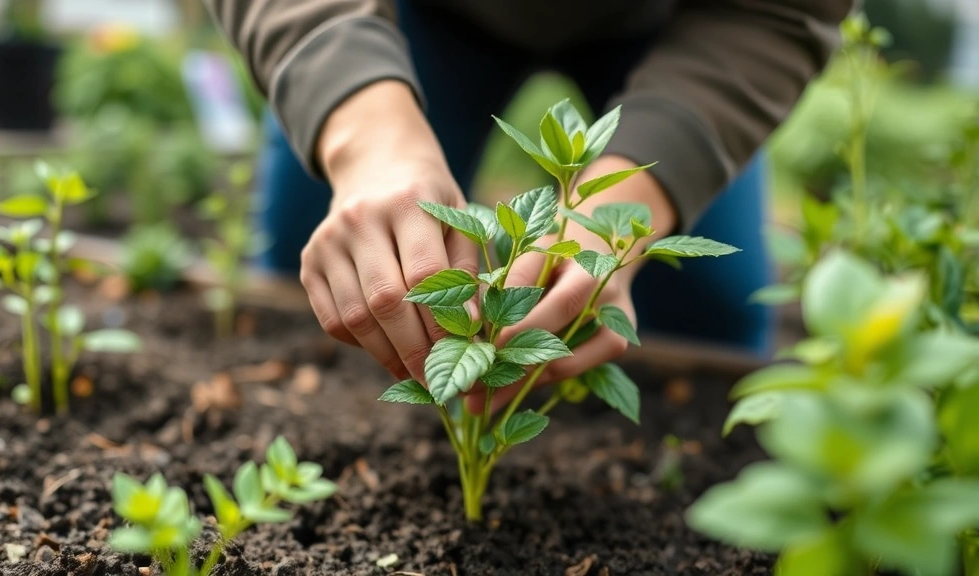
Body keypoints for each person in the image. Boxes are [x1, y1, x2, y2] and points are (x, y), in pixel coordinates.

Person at [204, 0, 853, 411]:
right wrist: (366, 138)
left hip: (686, 24)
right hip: (411, 15)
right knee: (326, 273)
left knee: (709, 313)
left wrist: (624, 210)